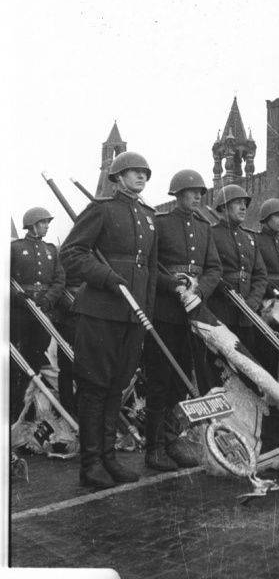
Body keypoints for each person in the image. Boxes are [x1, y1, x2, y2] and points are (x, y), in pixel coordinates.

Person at [60, 152, 157, 490]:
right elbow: (71, 253)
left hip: (133, 316)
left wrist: (146, 310)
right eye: (134, 172)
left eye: (144, 172)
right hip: (100, 312)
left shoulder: (148, 216)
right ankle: (91, 464)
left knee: (117, 386)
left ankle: (108, 457)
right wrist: (105, 275)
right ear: (118, 176)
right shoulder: (101, 209)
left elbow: (152, 271)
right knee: (95, 386)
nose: (141, 177)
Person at [145, 169, 222, 472]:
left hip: (192, 312)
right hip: (165, 312)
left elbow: (213, 268)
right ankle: (152, 448)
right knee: (159, 379)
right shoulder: (161, 223)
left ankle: (171, 440)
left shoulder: (204, 228)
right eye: (192, 192)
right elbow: (152, 265)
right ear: (177, 194)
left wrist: (199, 291)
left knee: (181, 379)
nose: (197, 197)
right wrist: (171, 284)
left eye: (200, 193)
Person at [10, 207, 66, 422]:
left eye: (47, 222)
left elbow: (59, 280)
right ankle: (13, 409)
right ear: (32, 225)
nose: (46, 226)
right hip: (20, 313)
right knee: (17, 361)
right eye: (43, 222)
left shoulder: (51, 250)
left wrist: (47, 299)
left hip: (43, 311)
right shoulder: (15, 248)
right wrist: (19, 297)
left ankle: (30, 408)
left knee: (37, 357)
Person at [207, 184, 267, 356]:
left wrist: (253, 301)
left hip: (247, 315)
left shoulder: (249, 238)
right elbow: (209, 270)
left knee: (249, 363)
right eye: (237, 203)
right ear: (223, 207)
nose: (243, 207)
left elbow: (260, 276)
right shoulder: (211, 233)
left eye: (244, 203)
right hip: (221, 311)